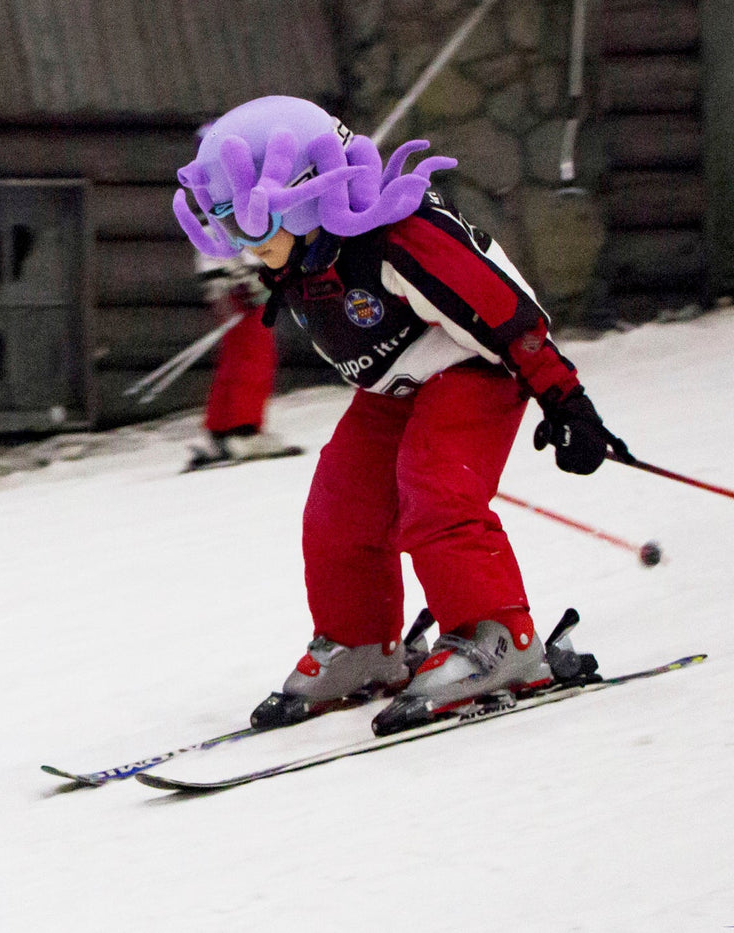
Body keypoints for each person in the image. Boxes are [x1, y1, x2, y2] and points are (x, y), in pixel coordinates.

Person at [172, 95, 631, 735]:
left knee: (436, 487)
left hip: (473, 368)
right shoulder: (305, 252)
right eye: (227, 224)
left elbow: (504, 311)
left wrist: (564, 398)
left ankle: (496, 636)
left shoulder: (399, 239)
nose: (244, 246)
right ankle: (361, 646)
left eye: (252, 223)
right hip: (396, 386)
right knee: (341, 502)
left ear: (303, 195)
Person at [186, 249, 302, 470]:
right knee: (255, 353)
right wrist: (242, 274)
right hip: (237, 274)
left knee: (237, 352)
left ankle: (220, 430)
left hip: (223, 272)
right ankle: (243, 430)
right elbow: (227, 221)